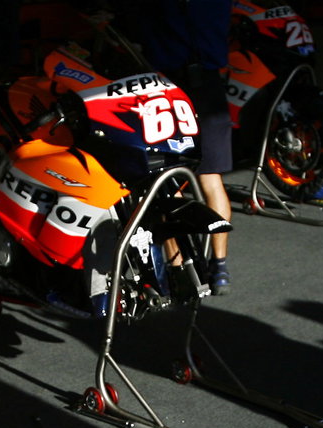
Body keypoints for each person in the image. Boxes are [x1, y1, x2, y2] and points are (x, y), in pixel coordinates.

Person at [124, 0, 234, 293]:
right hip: (209, 83)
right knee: (212, 179)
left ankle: (178, 267)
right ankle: (219, 267)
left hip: (167, 85)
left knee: (165, 182)